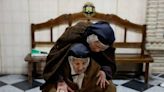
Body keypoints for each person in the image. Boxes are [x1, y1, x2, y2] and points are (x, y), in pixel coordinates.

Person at [41, 21, 116, 91]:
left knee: (109, 87)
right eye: (97, 46)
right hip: (66, 73)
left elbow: (108, 61)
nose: (97, 51)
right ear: (91, 39)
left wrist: (104, 71)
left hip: (91, 73)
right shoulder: (72, 35)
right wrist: (60, 80)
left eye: (102, 49)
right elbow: (56, 58)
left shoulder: (106, 41)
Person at [42, 43, 116, 92]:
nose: (80, 68)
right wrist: (60, 83)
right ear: (71, 61)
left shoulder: (96, 66)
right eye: (77, 63)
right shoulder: (60, 67)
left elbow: (108, 67)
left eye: (84, 63)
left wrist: (104, 73)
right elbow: (48, 84)